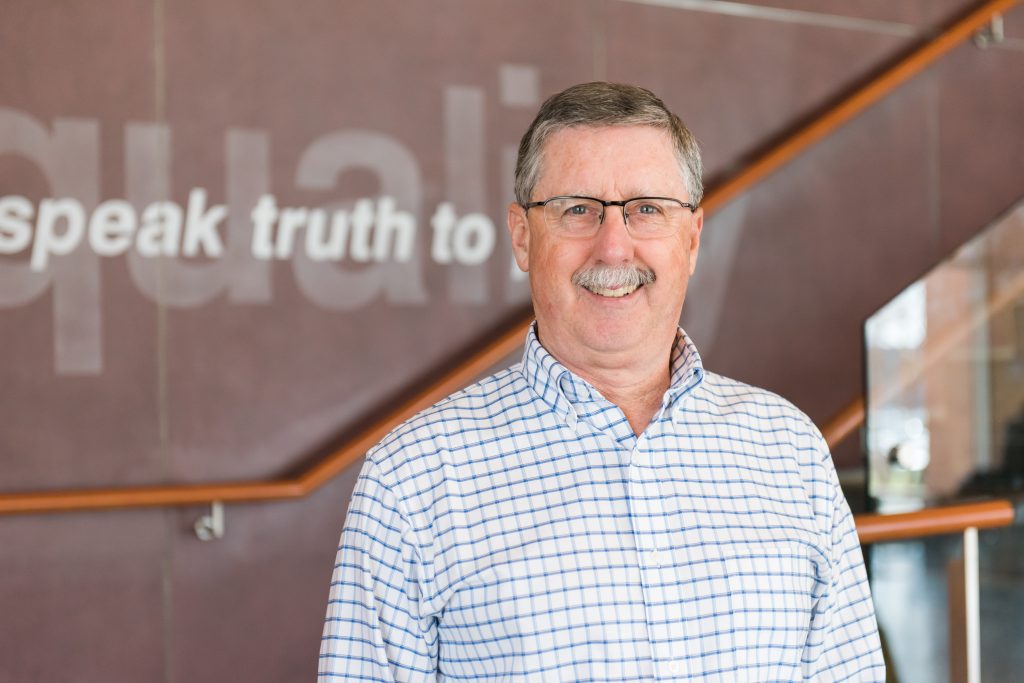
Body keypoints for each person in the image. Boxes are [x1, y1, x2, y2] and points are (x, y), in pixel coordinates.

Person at [319, 82, 885, 681]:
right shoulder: (412, 481)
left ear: (691, 238)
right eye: (577, 209)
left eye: (646, 209)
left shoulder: (790, 450)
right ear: (521, 236)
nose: (614, 247)